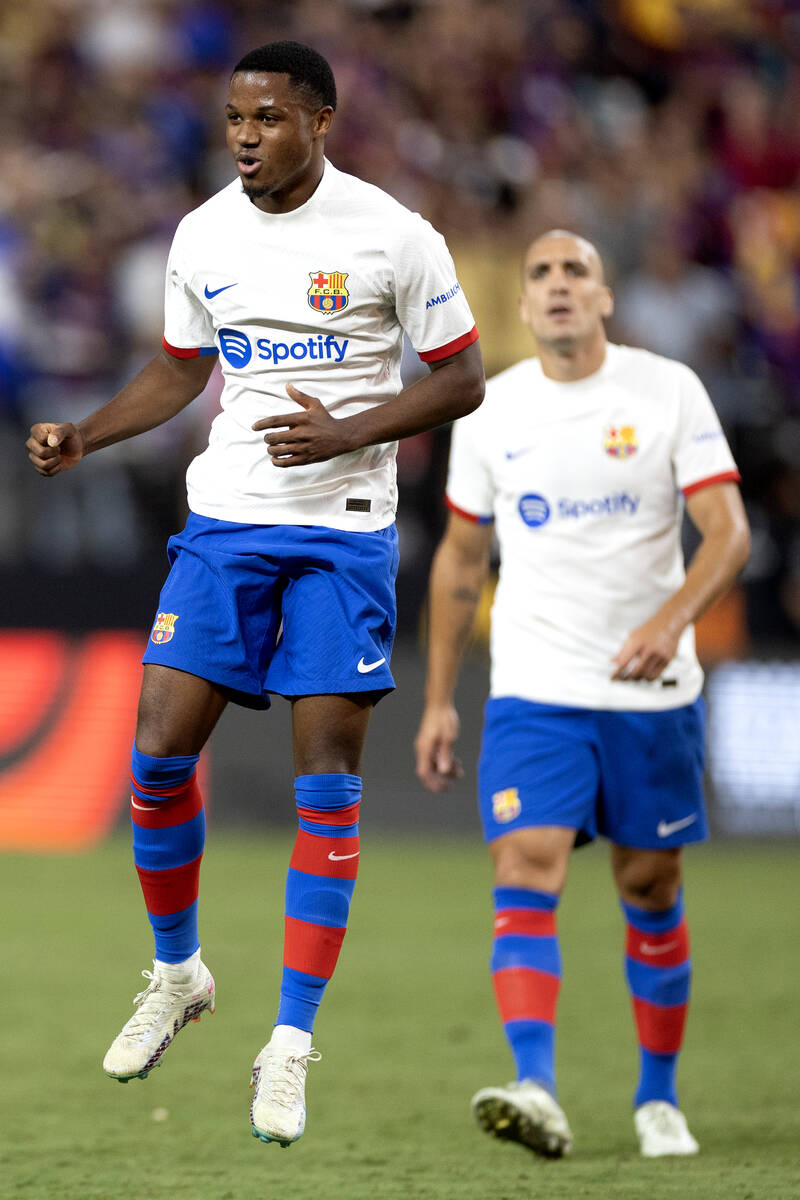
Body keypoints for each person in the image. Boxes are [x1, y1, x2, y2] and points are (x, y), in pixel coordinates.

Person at [26, 41, 484, 1147]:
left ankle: (288, 1044)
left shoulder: (392, 235)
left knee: (323, 778)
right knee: (155, 755)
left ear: (320, 120)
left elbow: (462, 377)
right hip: (227, 520)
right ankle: (179, 972)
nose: (243, 135)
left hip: (342, 535)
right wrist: (87, 431)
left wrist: (349, 430)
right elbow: (187, 366)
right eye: (234, 117)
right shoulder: (203, 232)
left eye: (268, 117)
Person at [415, 230, 750, 1160]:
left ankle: (658, 1098)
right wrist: (440, 697)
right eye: (541, 275)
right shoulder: (488, 411)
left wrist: (673, 619)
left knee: (650, 884)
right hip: (535, 685)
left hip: (651, 691)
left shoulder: (667, 391)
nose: (559, 287)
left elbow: (727, 533)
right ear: (522, 304)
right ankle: (537, 1085)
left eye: (578, 273)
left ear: (605, 298)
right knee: (526, 861)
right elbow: (460, 556)